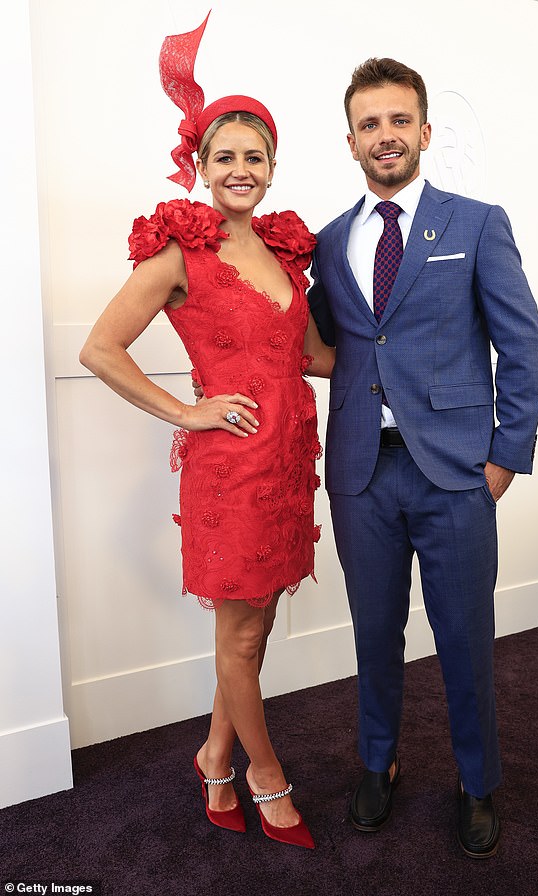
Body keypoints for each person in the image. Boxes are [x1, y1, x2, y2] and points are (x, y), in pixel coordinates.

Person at [79, 13, 333, 850]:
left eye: (254, 156)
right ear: (200, 164)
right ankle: (265, 776)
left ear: (271, 167)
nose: (240, 169)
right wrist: (189, 410)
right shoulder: (178, 252)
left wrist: (415, 342)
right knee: (241, 630)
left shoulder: (286, 253)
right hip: (229, 471)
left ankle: (214, 753)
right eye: (223, 156)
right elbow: (101, 349)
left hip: (290, 460)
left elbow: (312, 356)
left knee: (252, 628)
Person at [307, 57, 538, 857]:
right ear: (350, 141)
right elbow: (328, 345)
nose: (386, 136)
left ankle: (477, 781)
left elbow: (523, 344)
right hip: (360, 475)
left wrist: (505, 458)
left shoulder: (477, 223)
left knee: (465, 636)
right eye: (370, 124)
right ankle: (379, 763)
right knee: (373, 635)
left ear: (424, 132)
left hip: (455, 474)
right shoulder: (331, 240)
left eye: (399, 120)